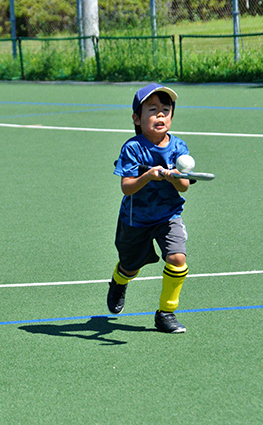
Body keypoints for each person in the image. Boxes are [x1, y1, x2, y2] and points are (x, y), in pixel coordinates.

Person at [108, 83, 192, 333]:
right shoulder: (133, 148)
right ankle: (119, 281)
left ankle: (166, 312)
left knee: (177, 259)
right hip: (136, 219)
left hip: (168, 216)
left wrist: (176, 176)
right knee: (130, 266)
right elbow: (127, 187)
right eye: (152, 110)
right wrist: (150, 176)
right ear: (137, 118)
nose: (160, 115)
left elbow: (185, 187)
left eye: (166, 110)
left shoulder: (178, 147)